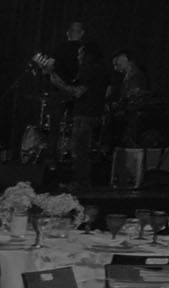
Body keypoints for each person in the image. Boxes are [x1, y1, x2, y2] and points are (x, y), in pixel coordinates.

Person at [52, 43, 109, 187]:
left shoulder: (87, 69)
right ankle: (83, 180)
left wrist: (58, 83)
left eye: (80, 54)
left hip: (85, 114)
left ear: (86, 55)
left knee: (80, 150)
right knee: (84, 150)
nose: (77, 57)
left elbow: (78, 92)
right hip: (96, 112)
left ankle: (81, 181)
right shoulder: (101, 69)